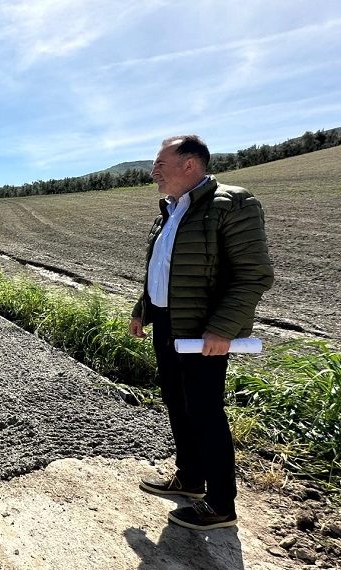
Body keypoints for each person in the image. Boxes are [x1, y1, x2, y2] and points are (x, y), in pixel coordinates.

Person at [130, 135, 274, 531]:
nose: (153, 171)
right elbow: (159, 268)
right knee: (177, 403)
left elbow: (254, 275)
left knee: (205, 412)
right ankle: (190, 479)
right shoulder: (169, 210)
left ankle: (221, 505)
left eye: (160, 163)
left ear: (190, 164)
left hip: (202, 332)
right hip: (167, 324)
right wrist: (142, 309)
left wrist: (222, 329)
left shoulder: (231, 204)